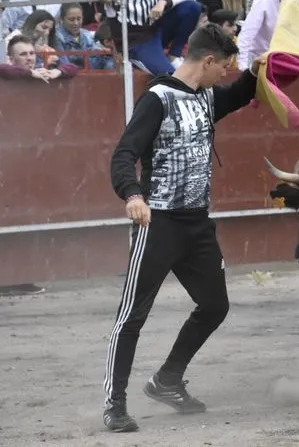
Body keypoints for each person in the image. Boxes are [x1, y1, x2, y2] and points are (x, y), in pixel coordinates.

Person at [101, 23, 259, 433]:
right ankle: (114, 404)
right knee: (132, 315)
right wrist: (133, 194)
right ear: (207, 61)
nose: (227, 72)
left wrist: (259, 70)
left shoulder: (205, 95)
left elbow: (239, 94)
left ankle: (167, 380)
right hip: (159, 222)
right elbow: (125, 152)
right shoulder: (158, 97)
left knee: (215, 305)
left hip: (196, 223)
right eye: (224, 66)